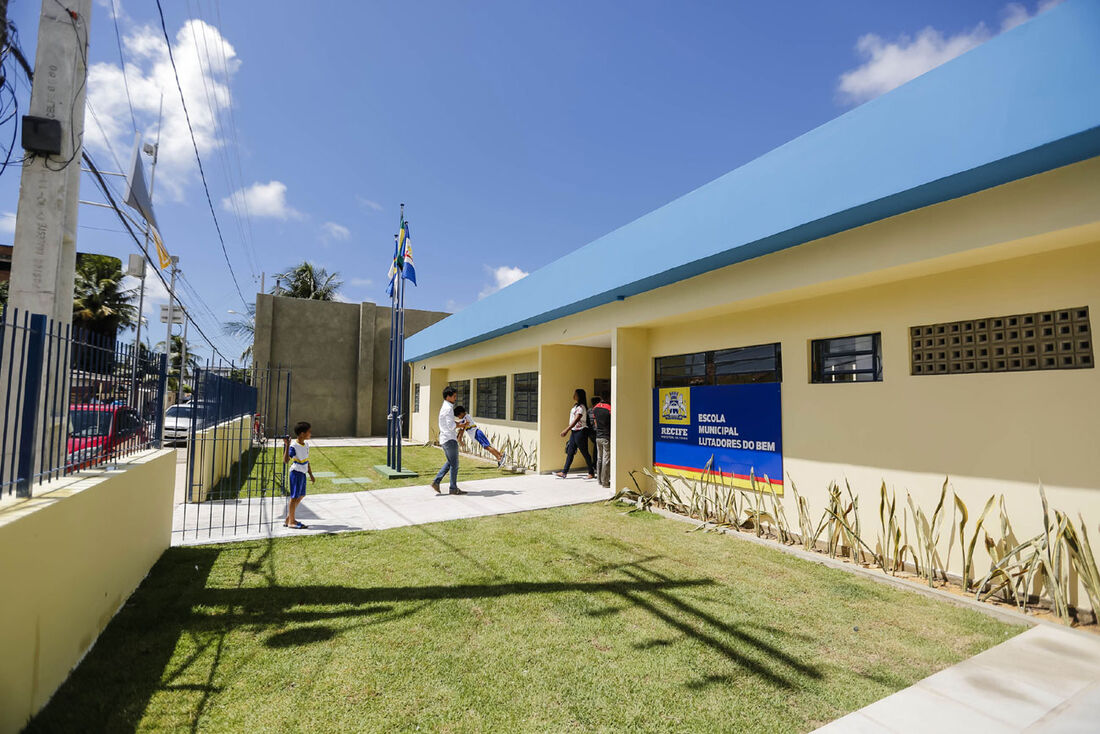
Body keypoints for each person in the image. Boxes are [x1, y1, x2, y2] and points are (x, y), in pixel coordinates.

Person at [431, 386, 466, 495]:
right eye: (454, 396)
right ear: (448, 396)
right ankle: (452, 488)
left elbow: (449, 423)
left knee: (451, 461)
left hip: (445, 438)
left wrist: (458, 424)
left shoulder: (446, 407)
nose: (456, 398)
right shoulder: (448, 408)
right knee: (454, 464)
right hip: (449, 439)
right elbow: (451, 426)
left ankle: (437, 482)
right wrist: (461, 424)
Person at [554, 388, 595, 479]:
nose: (574, 395)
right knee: (570, 451)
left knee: (584, 452)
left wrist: (566, 430)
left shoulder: (582, 407)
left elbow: (576, 420)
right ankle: (564, 472)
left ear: (579, 396)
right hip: (574, 431)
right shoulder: (576, 406)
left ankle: (591, 472)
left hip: (581, 431)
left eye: (575, 394)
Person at [282, 421, 315, 529]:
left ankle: (289, 519)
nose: (310, 434)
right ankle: (292, 522)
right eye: (309, 432)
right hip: (295, 473)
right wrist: (287, 446)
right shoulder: (293, 446)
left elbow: (306, 460)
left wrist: (310, 474)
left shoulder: (306, 444)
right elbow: (286, 460)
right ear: (302, 433)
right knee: (294, 497)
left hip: (302, 473)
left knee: (301, 495)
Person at [591, 395, 611, 489]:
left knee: (599, 458)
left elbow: (595, 423)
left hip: (598, 436)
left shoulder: (595, 408)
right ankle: (605, 482)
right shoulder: (609, 408)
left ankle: (599, 480)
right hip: (606, 436)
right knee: (606, 460)